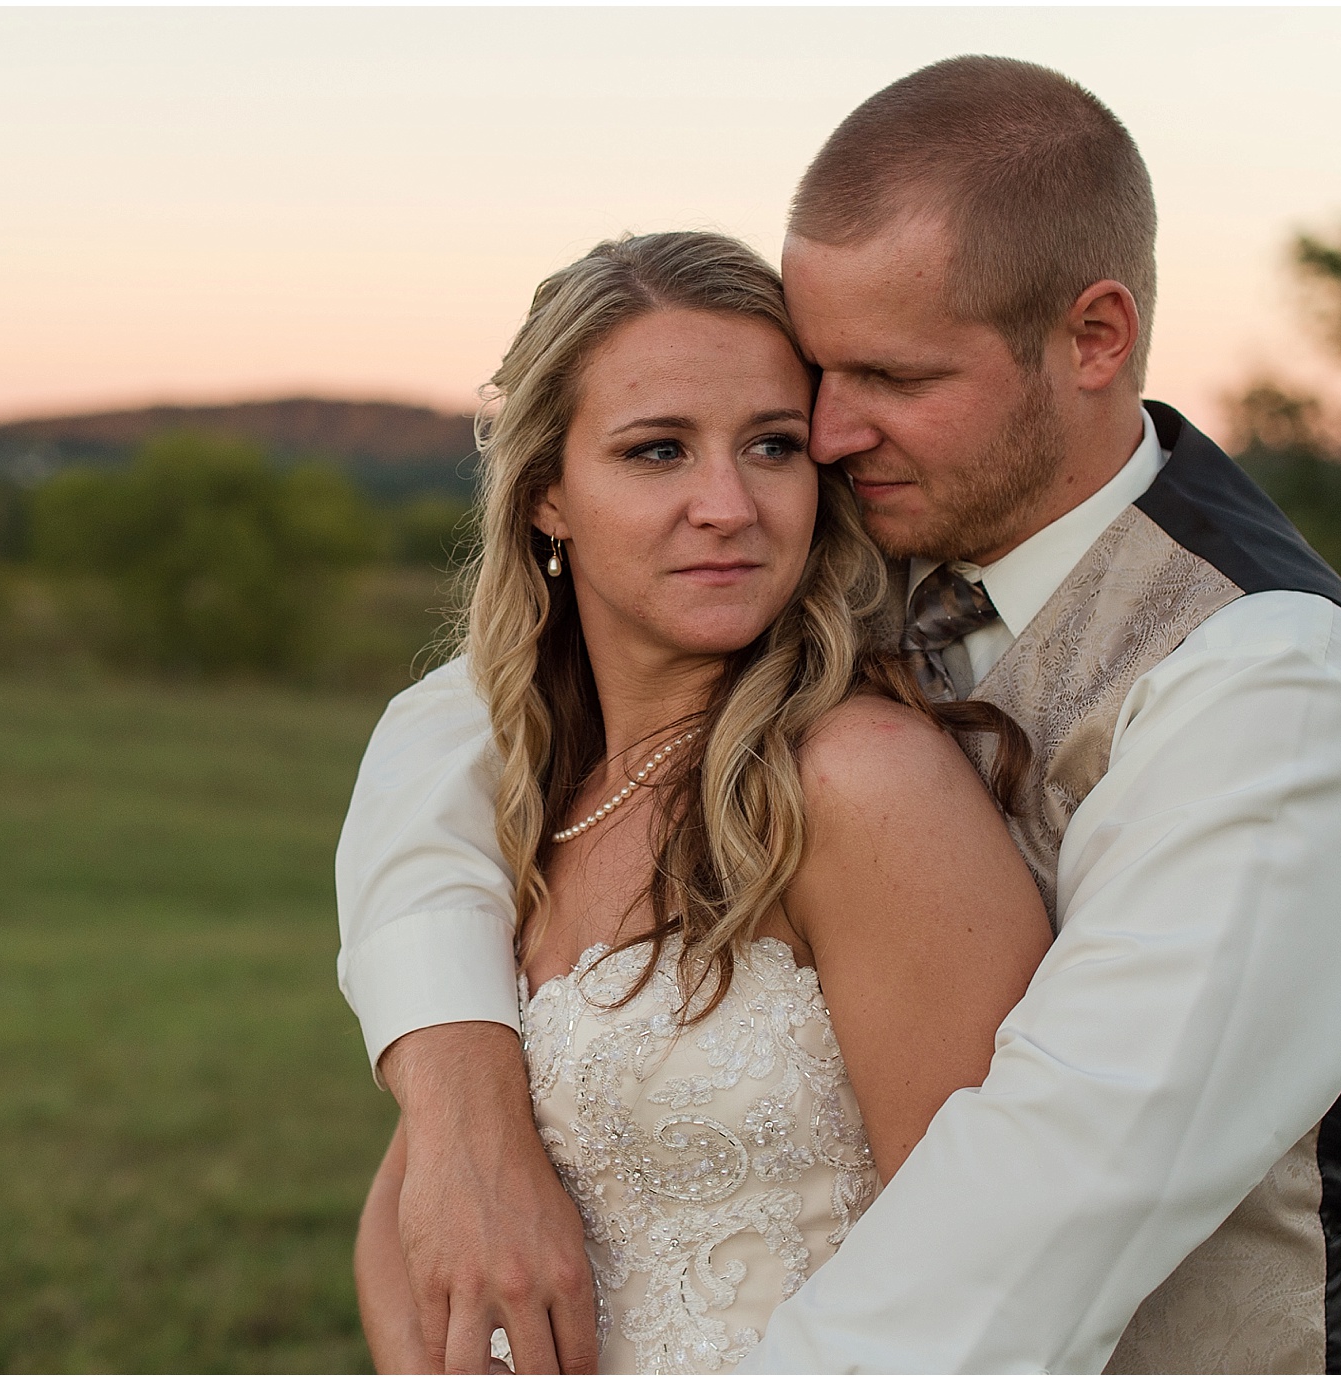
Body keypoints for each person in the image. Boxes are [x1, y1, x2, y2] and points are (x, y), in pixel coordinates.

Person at [337, 55, 1341, 1374]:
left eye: (890, 375)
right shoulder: (848, 553)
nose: (823, 432)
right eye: (819, 372)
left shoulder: (1267, 687)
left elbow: (1029, 1224)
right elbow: (451, 723)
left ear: (1094, 338)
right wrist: (463, 1101)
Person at [351, 229, 1053, 1373]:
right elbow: (422, 1207)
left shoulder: (859, 782)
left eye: (772, 446)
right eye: (657, 451)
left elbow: (991, 1282)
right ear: (548, 497)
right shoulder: (531, 799)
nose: (728, 504)